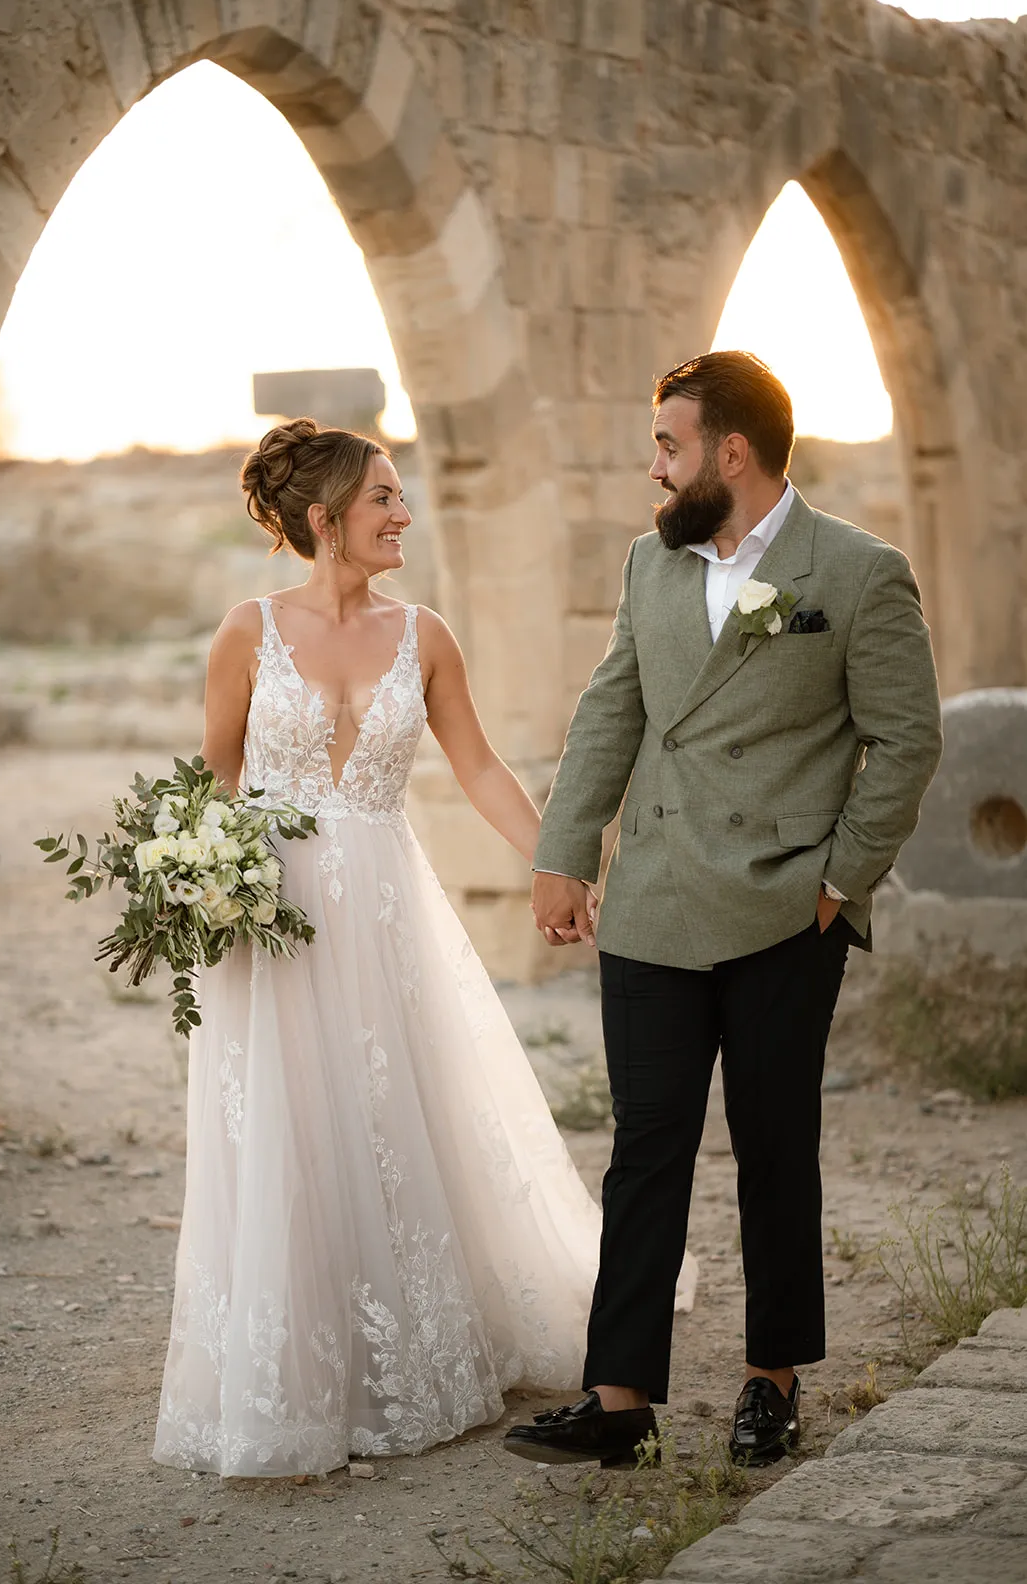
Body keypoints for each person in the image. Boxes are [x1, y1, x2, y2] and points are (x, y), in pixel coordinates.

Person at [152, 418, 696, 1478]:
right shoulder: (243, 632)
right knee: (287, 1132)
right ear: (325, 519)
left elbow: (483, 768)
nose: (404, 514)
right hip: (266, 920)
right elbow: (210, 781)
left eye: (401, 496)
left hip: (386, 918)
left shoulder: (425, 634)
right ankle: (303, 1367)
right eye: (383, 499)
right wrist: (198, 883)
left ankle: (409, 1342)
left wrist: (560, 860)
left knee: (396, 1117)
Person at [504, 351, 942, 1470]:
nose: (651, 466)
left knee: (772, 1144)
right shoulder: (648, 567)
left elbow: (905, 738)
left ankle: (770, 1379)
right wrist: (563, 849)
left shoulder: (853, 570)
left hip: (779, 909)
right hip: (651, 898)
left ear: (728, 454)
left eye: (667, 445)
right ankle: (616, 1401)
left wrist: (839, 882)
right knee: (644, 1148)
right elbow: (612, 708)